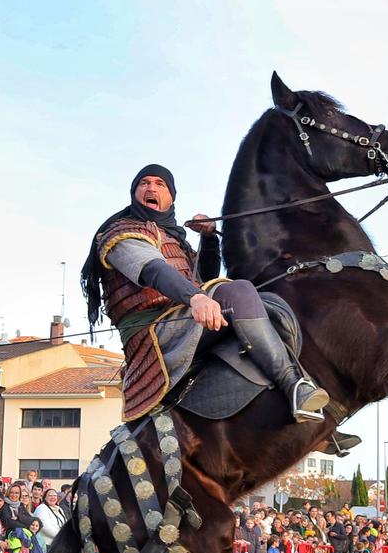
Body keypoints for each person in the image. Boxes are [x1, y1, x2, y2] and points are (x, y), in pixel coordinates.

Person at [81, 163, 326, 424]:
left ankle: (309, 408)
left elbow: (205, 280)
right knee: (240, 291)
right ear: (134, 192)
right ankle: (292, 385)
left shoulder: (176, 241)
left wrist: (209, 239)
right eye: (144, 183)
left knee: (272, 305)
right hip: (154, 334)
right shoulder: (121, 233)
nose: (151, 187)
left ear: (171, 197)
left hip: (183, 321)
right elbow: (154, 270)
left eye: (159, 184)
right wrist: (196, 298)